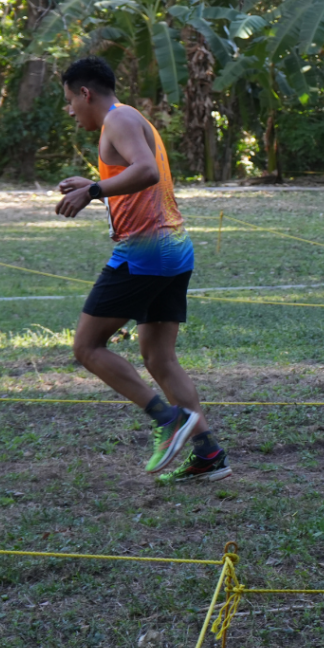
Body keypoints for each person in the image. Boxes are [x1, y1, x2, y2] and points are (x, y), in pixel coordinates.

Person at [55, 56, 230, 483]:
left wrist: (93, 190)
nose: (70, 110)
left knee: (87, 347)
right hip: (174, 249)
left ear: (85, 93)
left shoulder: (118, 119)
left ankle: (167, 419)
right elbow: (134, 177)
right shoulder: (127, 118)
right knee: (159, 357)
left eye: (69, 101)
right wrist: (94, 187)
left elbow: (147, 171)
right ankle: (208, 453)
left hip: (145, 252)